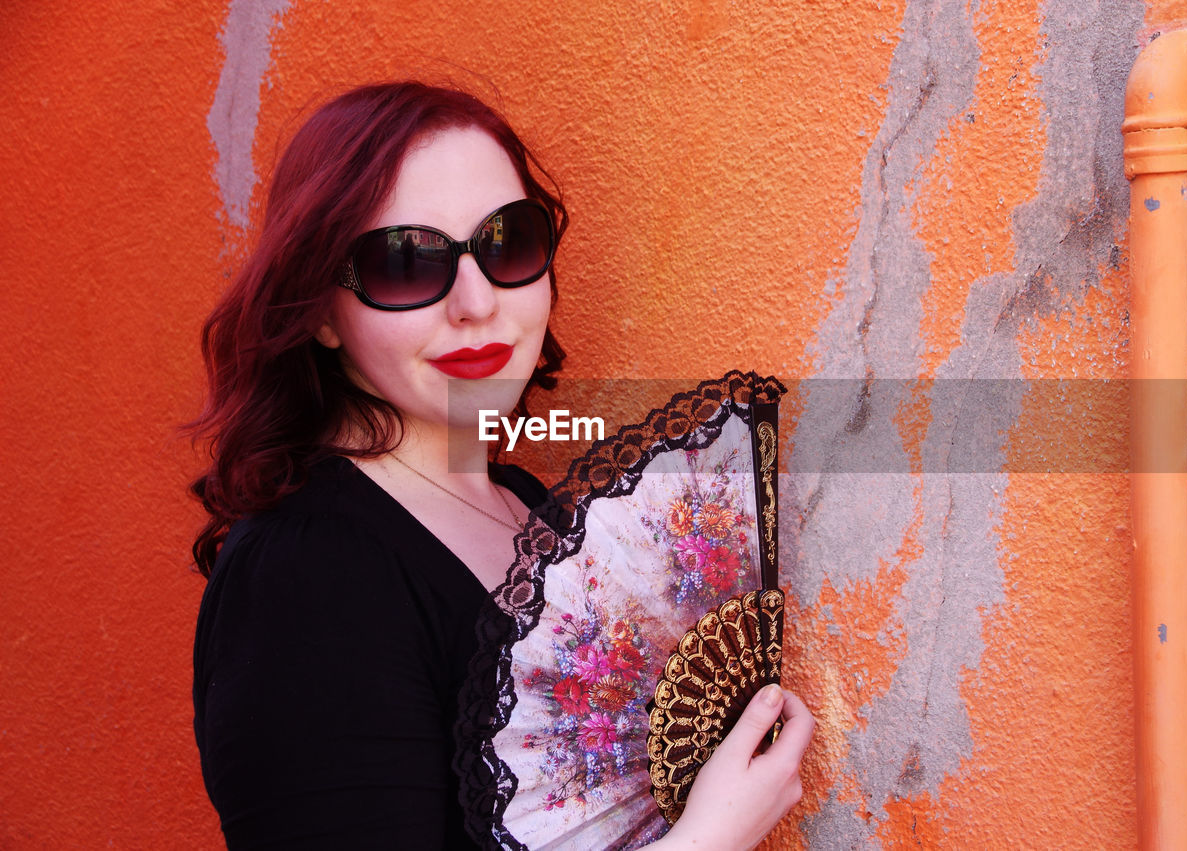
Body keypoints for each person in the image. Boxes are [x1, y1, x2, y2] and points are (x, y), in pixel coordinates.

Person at [189, 81, 813, 849]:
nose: (476, 300)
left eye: (505, 241)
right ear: (319, 308)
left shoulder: (523, 502)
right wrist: (711, 836)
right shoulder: (302, 575)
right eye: (406, 262)